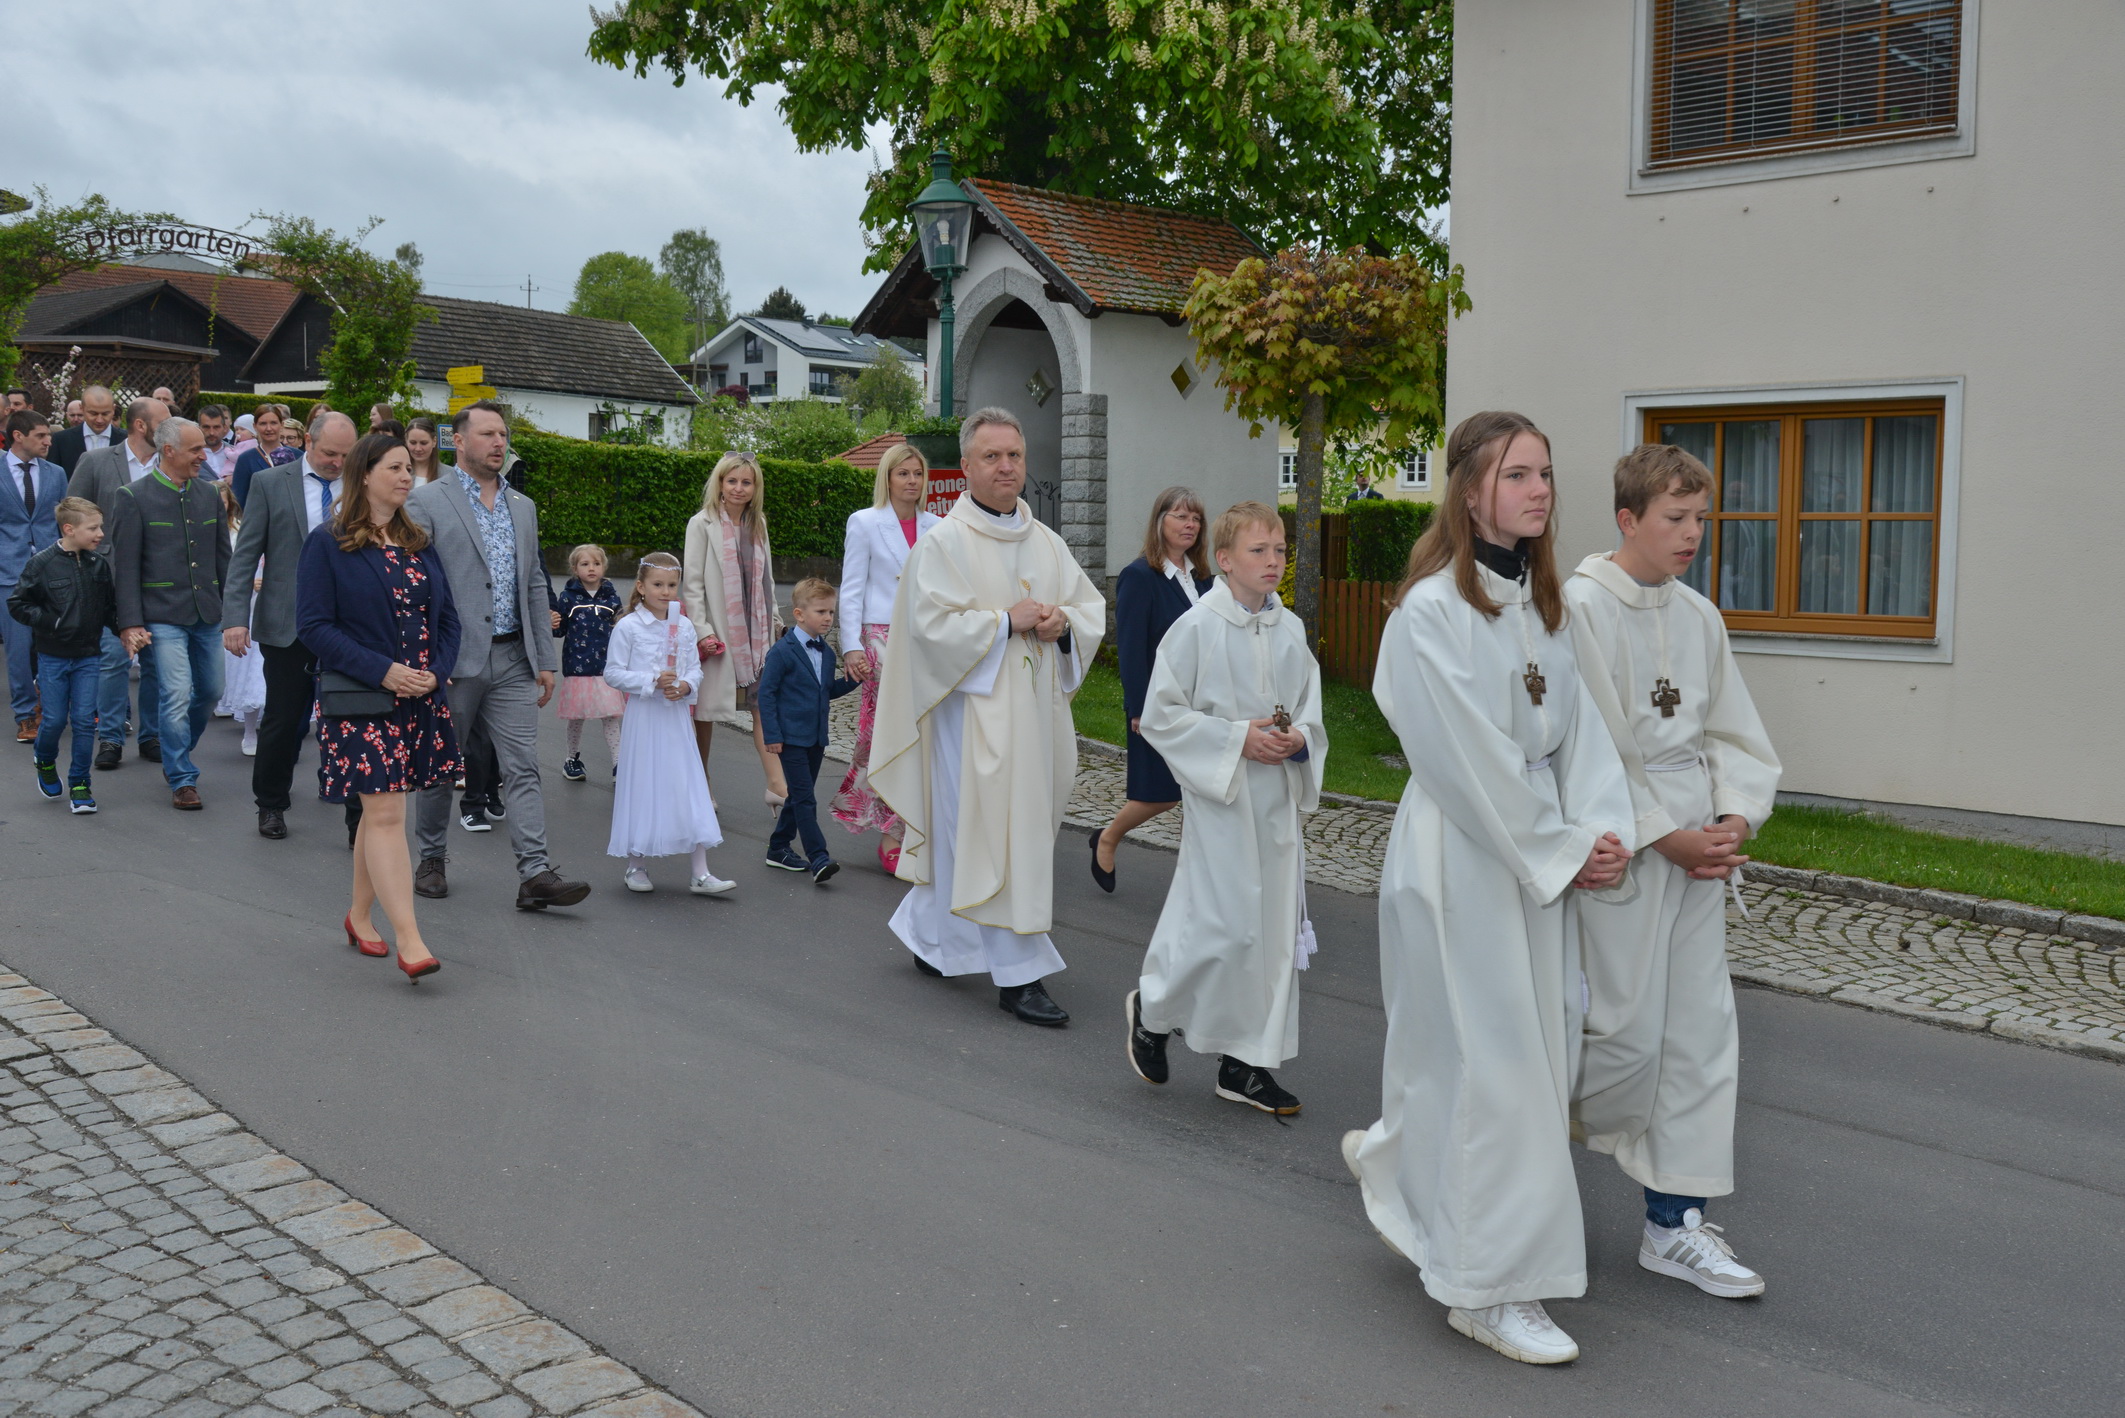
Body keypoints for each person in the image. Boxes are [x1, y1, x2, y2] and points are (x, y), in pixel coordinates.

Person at [1340, 410, 1635, 1367]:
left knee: (1531, 1057)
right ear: (1470, 492)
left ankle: (1439, 1210)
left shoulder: (1544, 609)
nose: (1539, 490)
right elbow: (1466, 758)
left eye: (1545, 473)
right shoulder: (1432, 611)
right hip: (1463, 861)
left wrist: (1601, 834)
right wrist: (1556, 846)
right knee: (1490, 1067)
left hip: (1532, 858)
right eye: (1517, 475)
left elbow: (1581, 738)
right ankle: (1486, 1288)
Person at [1565, 443, 1782, 1300]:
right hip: (1623, 857)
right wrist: (1663, 835)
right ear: (1627, 519)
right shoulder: (1581, 608)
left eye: (1701, 519)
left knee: (1697, 1039)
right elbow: (1589, 745)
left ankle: (1674, 1223)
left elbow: (1735, 734)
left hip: (1696, 862)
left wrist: (1732, 816)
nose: (1693, 534)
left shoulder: (1698, 617)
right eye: (1674, 519)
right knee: (1612, 1039)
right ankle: (1475, 1171)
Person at [868, 407, 1105, 1026]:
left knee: (970, 832)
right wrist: (1005, 621)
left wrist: (1062, 625)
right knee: (997, 832)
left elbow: (1088, 608)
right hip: (969, 715)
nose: (1006, 467)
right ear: (967, 467)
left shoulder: (1046, 542)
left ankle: (933, 935)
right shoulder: (945, 542)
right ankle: (1018, 971)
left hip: (1035, 715)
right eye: (992, 457)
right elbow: (927, 629)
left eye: (1015, 456)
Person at [1128, 502, 1324, 1114]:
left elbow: (1309, 711)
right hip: (1223, 797)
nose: (1273, 561)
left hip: (1276, 804)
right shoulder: (1196, 628)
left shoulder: (1288, 629)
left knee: (1269, 937)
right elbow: (1163, 715)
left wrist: (1299, 741)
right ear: (1223, 560)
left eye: (1280, 551)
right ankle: (1153, 1011)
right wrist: (1238, 737)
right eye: (1259, 551)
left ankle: (1247, 1064)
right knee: (1223, 927)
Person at [407, 400, 590, 910]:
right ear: (458, 441)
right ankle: (432, 858)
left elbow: (534, 582)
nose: (498, 442)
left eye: (503, 434)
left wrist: (545, 660)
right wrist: (426, 659)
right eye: (487, 434)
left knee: (523, 767)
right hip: (453, 661)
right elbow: (414, 585)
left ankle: (534, 874)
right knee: (443, 765)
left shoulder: (522, 506)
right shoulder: (428, 502)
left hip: (513, 659)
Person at [297, 432, 461, 983]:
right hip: (364, 700)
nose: (405, 475)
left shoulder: (418, 540)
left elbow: (448, 621)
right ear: (364, 474)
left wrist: (434, 673)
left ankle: (359, 914)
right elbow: (314, 627)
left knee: (379, 812)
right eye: (394, 467)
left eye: (408, 467)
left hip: (420, 697)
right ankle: (410, 939)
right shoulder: (329, 542)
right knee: (389, 813)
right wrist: (383, 670)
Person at [224, 411, 358, 839]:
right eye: (330, 453)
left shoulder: (362, 484)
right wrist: (234, 619)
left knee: (354, 720)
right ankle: (271, 804)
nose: (338, 463)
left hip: (351, 625)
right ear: (308, 443)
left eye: (346, 455)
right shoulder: (269, 483)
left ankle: (359, 818)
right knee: (283, 719)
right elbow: (246, 554)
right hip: (288, 621)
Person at [1091, 485, 1212, 891]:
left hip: (1203, 704)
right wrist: (1138, 707)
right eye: (1180, 516)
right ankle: (1106, 838)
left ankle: (1196, 877)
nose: (1189, 524)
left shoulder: (1205, 581)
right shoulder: (1139, 576)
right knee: (1161, 792)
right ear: (1159, 523)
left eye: (1195, 518)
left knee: (1200, 791)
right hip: (1159, 701)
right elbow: (1130, 648)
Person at [830, 443, 940, 874]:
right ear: (888, 478)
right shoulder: (865, 522)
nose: (911, 481)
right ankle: (887, 828)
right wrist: (852, 646)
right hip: (880, 636)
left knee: (923, 735)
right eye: (903, 474)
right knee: (883, 732)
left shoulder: (938, 525)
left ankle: (910, 826)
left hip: (926, 640)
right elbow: (852, 587)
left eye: (917, 473)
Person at [108, 417, 228, 811]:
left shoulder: (209, 494)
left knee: (210, 690)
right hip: (160, 615)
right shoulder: (133, 496)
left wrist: (235, 609)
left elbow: (222, 559)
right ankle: (181, 776)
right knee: (175, 693)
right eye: (195, 449)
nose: (203, 455)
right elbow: (124, 567)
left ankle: (179, 749)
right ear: (169, 451)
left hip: (207, 612)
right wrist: (129, 622)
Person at [604, 552, 735, 897]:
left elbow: (693, 667)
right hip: (645, 717)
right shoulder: (629, 626)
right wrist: (651, 680)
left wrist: (686, 686)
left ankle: (700, 871)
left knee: (687, 783)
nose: (665, 591)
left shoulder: (685, 625)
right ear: (641, 587)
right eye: (658, 584)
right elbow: (613, 672)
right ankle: (636, 864)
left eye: (672, 585)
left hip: (675, 717)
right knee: (644, 782)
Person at [681, 452, 786, 807]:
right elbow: (692, 584)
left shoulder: (759, 524)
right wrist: (702, 630)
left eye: (746, 482)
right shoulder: (701, 523)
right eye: (732, 481)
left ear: (755, 487)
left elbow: (766, 580)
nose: (739, 488)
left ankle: (776, 784)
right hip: (719, 635)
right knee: (705, 712)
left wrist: (774, 621)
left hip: (757, 637)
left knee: (761, 705)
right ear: (720, 484)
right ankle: (701, 781)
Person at [68, 395, 167, 769]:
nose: (170, 427)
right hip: (108, 578)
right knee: (113, 661)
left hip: (159, 580)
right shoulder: (96, 461)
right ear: (140, 425)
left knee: (157, 661)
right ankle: (110, 738)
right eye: (163, 421)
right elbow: (70, 515)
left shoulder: (168, 463)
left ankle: (151, 735)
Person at [8, 496, 115, 813]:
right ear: (69, 529)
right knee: (53, 720)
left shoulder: (99, 565)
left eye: (100, 527)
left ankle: (80, 784)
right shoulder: (41, 563)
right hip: (53, 656)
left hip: (88, 655)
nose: (100, 534)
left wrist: (128, 630)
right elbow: (18, 604)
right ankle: (44, 758)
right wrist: (51, 622)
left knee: (83, 722)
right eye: (93, 528)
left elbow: (109, 608)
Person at [758, 578, 860, 884]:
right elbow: (766, 694)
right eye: (821, 611)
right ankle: (819, 858)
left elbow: (825, 691)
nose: (828, 617)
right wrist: (772, 735)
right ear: (799, 614)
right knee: (804, 799)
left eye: (831, 611)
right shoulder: (783, 651)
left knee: (800, 796)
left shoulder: (828, 654)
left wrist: (856, 678)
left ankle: (778, 847)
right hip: (789, 738)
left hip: (816, 737)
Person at [2, 411, 66, 741]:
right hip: (7, 571)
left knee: (52, 642)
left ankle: (50, 710)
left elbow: (63, 522)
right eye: (41, 435)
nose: (48, 440)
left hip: (50, 569)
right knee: (18, 647)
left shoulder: (56, 473)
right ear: (18, 436)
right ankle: (25, 714)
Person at [549, 544, 626, 783]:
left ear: (604, 567)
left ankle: (619, 764)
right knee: (576, 716)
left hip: (607, 668)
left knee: (611, 717)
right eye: (585, 564)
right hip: (577, 668)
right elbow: (559, 631)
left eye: (596, 563)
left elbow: (623, 628)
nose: (591, 568)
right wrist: (552, 622)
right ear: (574, 569)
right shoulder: (567, 597)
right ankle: (571, 759)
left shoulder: (611, 596)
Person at [212, 477, 266, 753]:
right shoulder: (206, 532)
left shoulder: (241, 529)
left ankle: (267, 729)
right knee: (245, 671)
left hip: (262, 606)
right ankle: (249, 729)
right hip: (236, 606)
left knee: (262, 672)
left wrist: (261, 580)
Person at [231, 403, 300, 507]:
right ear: (255, 426)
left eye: (273, 423)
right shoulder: (246, 459)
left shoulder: (297, 456)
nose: (269, 428)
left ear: (281, 425)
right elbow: (239, 499)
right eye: (263, 423)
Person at [50, 385, 118, 475]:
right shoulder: (61, 440)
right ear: (82, 408)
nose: (99, 420)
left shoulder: (126, 440)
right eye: (93, 413)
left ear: (113, 409)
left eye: (105, 414)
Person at [197, 405, 236, 481]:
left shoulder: (235, 454)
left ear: (224, 428)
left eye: (216, 427)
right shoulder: (190, 457)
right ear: (199, 428)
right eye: (206, 427)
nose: (211, 433)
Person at [404, 418, 443, 483]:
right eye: (413, 443)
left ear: (434, 441)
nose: (418, 449)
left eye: (423, 443)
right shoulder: (397, 472)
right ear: (406, 441)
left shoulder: (449, 474)